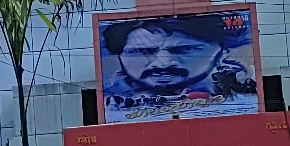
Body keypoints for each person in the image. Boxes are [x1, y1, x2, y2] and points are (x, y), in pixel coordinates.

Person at [101, 13, 257, 120]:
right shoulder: (109, 107)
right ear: (120, 55)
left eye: (184, 49)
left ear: (222, 52)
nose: (163, 63)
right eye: (142, 51)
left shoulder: (247, 99)